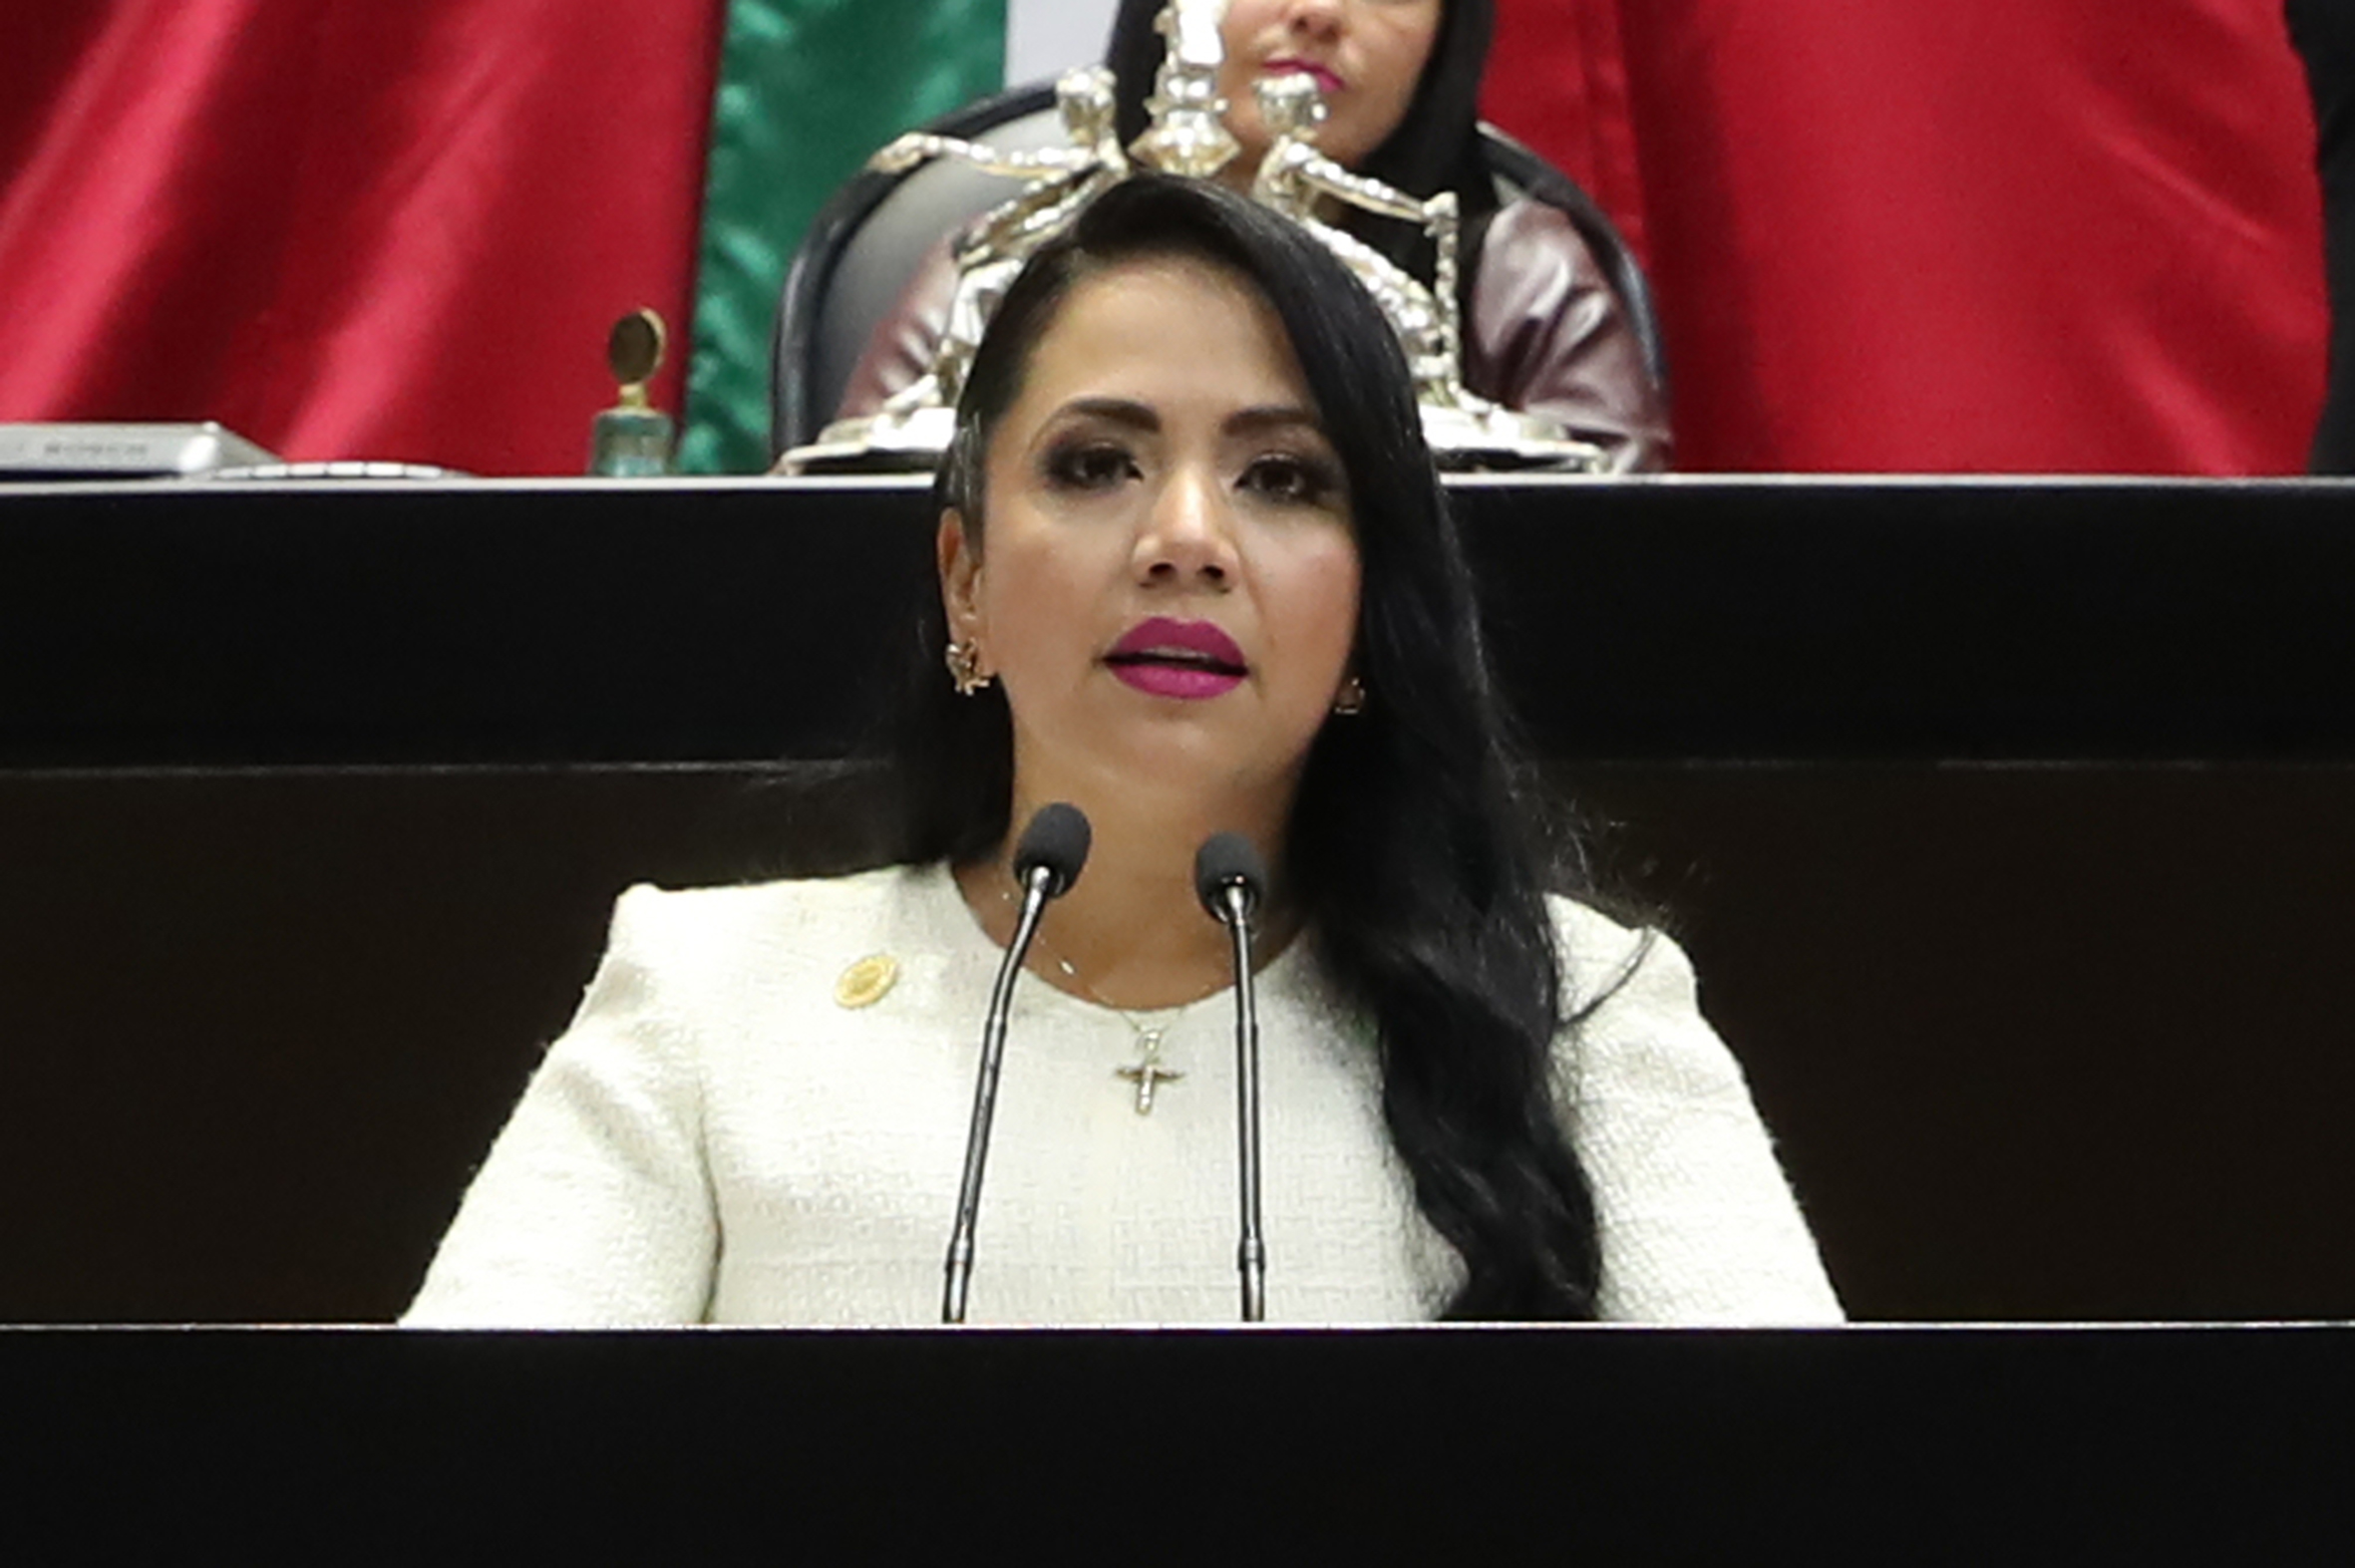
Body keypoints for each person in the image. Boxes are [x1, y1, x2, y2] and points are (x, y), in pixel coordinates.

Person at [408, 174, 1833, 1326]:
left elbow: (1798, 1495)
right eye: (1096, 464)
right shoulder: (713, 1005)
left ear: (1368, 607)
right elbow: (453, 1484)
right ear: (965, 580)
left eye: (1280, 478)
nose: (1185, 540)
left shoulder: (1581, 1018)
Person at [837, 0, 1670, 471]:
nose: (1319, 12)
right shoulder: (994, 269)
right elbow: (840, 566)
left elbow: (1614, 599)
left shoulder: (1517, 281)